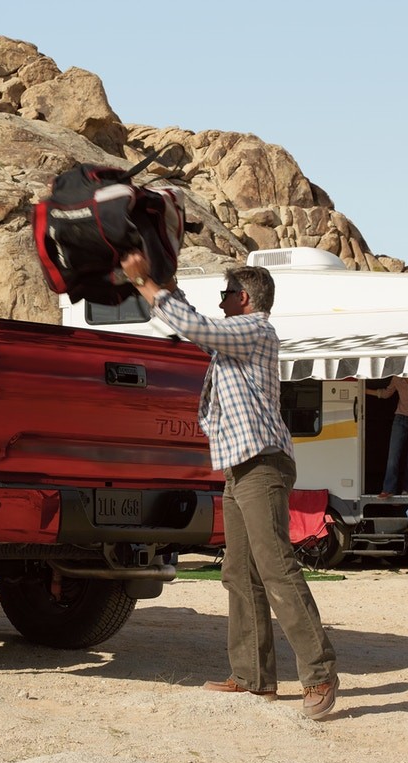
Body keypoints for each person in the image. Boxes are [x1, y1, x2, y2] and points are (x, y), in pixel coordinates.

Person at [121, 252, 338, 721]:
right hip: (241, 467)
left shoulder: (254, 329)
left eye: (224, 295)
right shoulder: (237, 340)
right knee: (240, 572)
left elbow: (200, 329)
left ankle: (319, 674)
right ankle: (253, 678)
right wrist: (164, 287)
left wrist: (146, 284)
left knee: (276, 567)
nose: (219, 303)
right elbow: (198, 327)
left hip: (260, 464)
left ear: (243, 298)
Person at [368, 376, 408, 498]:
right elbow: (386, 393)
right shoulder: (396, 379)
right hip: (400, 419)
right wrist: (365, 390)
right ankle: (388, 489)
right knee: (393, 456)